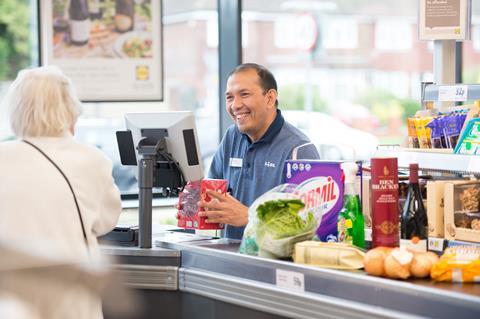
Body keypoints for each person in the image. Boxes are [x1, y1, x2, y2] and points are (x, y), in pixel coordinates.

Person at [0, 66, 122, 319]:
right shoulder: (92, 159)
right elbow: (105, 222)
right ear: (69, 109)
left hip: (12, 301)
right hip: (70, 299)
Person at [198, 63, 320, 239]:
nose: (235, 105)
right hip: (230, 258)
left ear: (270, 98)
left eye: (244, 94)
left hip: (275, 263)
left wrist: (250, 217)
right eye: (229, 97)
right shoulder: (232, 137)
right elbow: (214, 197)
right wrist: (196, 209)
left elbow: (308, 226)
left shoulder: (299, 150)